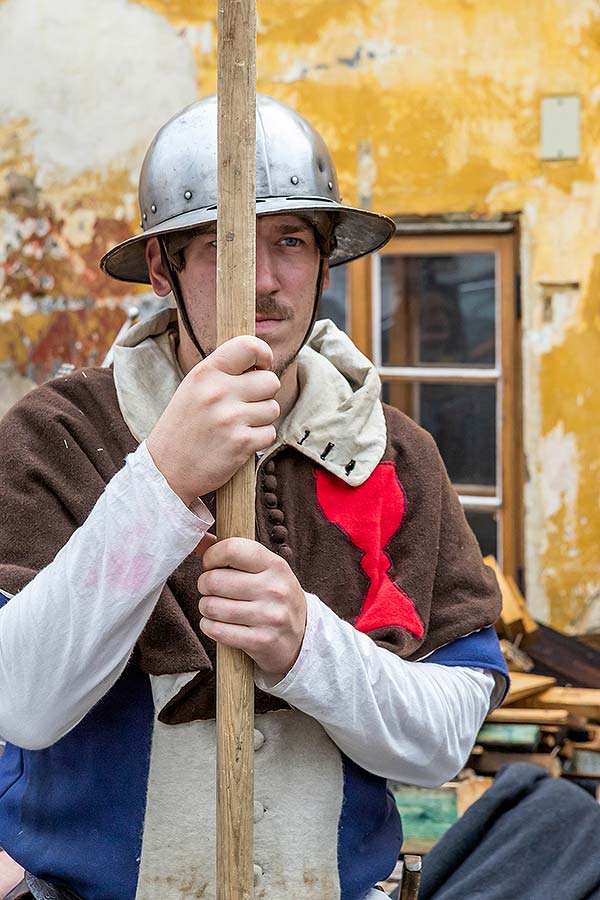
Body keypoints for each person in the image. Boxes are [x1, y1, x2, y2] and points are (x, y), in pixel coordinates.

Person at [0, 94, 508, 900]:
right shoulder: (59, 433)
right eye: (222, 246)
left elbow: (443, 743)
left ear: (326, 260)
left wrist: (307, 643)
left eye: (292, 242)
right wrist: (162, 482)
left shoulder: (395, 454)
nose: (265, 281)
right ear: (162, 268)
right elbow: (21, 704)